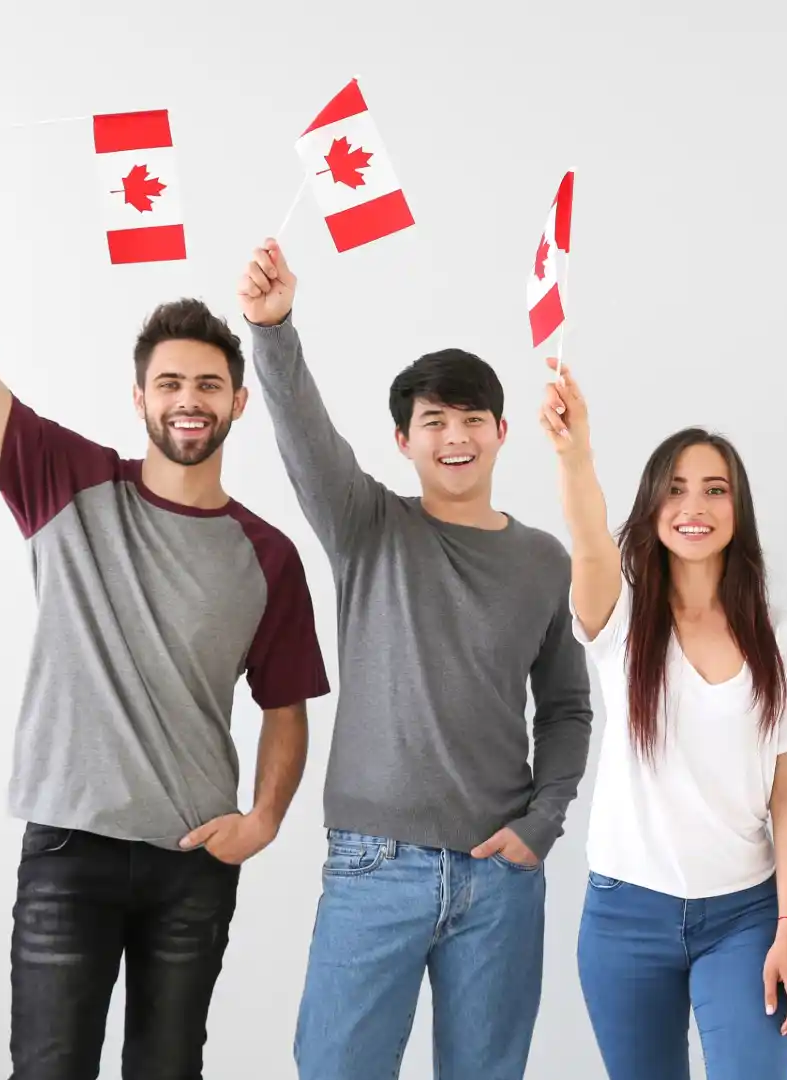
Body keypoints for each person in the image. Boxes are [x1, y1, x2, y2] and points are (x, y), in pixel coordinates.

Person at [0, 123, 331, 1079]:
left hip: (194, 862)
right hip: (69, 850)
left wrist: (263, 820)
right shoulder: (66, 480)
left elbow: (286, 709)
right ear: (140, 400)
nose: (191, 399)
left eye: (210, 386)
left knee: (168, 1070)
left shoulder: (268, 555)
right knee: (50, 1068)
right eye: (171, 383)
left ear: (238, 406)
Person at [235, 240, 593, 1080]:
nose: (455, 436)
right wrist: (274, 327)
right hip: (374, 866)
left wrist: (543, 823)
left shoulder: (544, 560)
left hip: (499, 876)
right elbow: (304, 434)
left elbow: (568, 708)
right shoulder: (367, 526)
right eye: (434, 421)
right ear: (403, 441)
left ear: (503, 432)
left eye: (472, 419)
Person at [538, 360, 787, 1078]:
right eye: (675, 489)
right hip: (624, 917)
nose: (693, 505)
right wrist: (576, 456)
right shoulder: (622, 622)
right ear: (652, 506)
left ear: (738, 510)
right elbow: (587, 541)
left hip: (745, 918)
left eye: (714, 490)